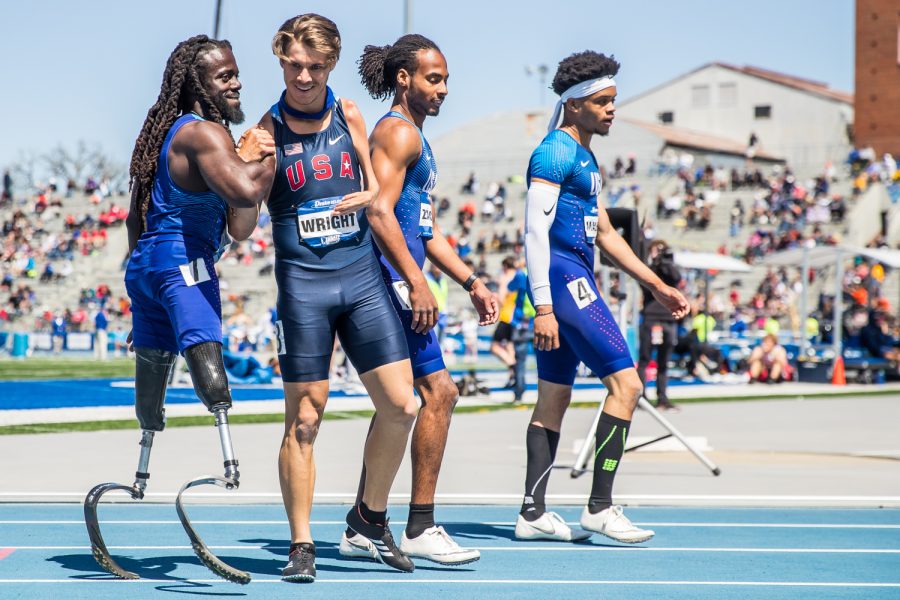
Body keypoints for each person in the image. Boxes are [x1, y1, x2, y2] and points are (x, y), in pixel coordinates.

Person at [258, 15, 418, 582]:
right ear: (279, 59)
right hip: (303, 286)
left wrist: (366, 195)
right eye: (294, 65)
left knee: (402, 406)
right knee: (304, 420)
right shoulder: (265, 131)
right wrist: (240, 168)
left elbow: (378, 194)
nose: (304, 76)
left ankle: (368, 518)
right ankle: (301, 545)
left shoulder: (350, 113)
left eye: (316, 66)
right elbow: (240, 221)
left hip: (360, 278)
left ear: (331, 65)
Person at [518, 51, 688, 544]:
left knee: (554, 397)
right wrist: (544, 307)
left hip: (576, 276)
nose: (613, 109)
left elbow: (607, 234)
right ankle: (599, 507)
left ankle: (531, 514)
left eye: (614, 100)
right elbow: (533, 231)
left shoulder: (586, 156)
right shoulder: (554, 151)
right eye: (603, 101)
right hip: (565, 283)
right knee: (628, 386)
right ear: (574, 106)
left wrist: (654, 282)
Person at [349, 33, 498, 565]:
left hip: (401, 276)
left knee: (401, 403)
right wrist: (415, 282)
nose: (444, 89)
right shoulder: (397, 133)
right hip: (388, 280)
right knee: (439, 392)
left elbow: (426, 230)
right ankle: (418, 524)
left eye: (447, 79)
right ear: (403, 79)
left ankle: (365, 520)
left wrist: (471, 281)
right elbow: (379, 213)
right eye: (434, 78)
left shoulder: (416, 138)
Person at [637, 240, 682, 410]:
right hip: (651, 318)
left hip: (668, 318)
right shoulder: (648, 269)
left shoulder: (670, 269)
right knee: (645, 359)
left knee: (664, 361)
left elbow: (676, 278)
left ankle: (662, 397)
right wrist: (654, 265)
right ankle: (641, 396)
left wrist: (665, 263)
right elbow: (644, 284)